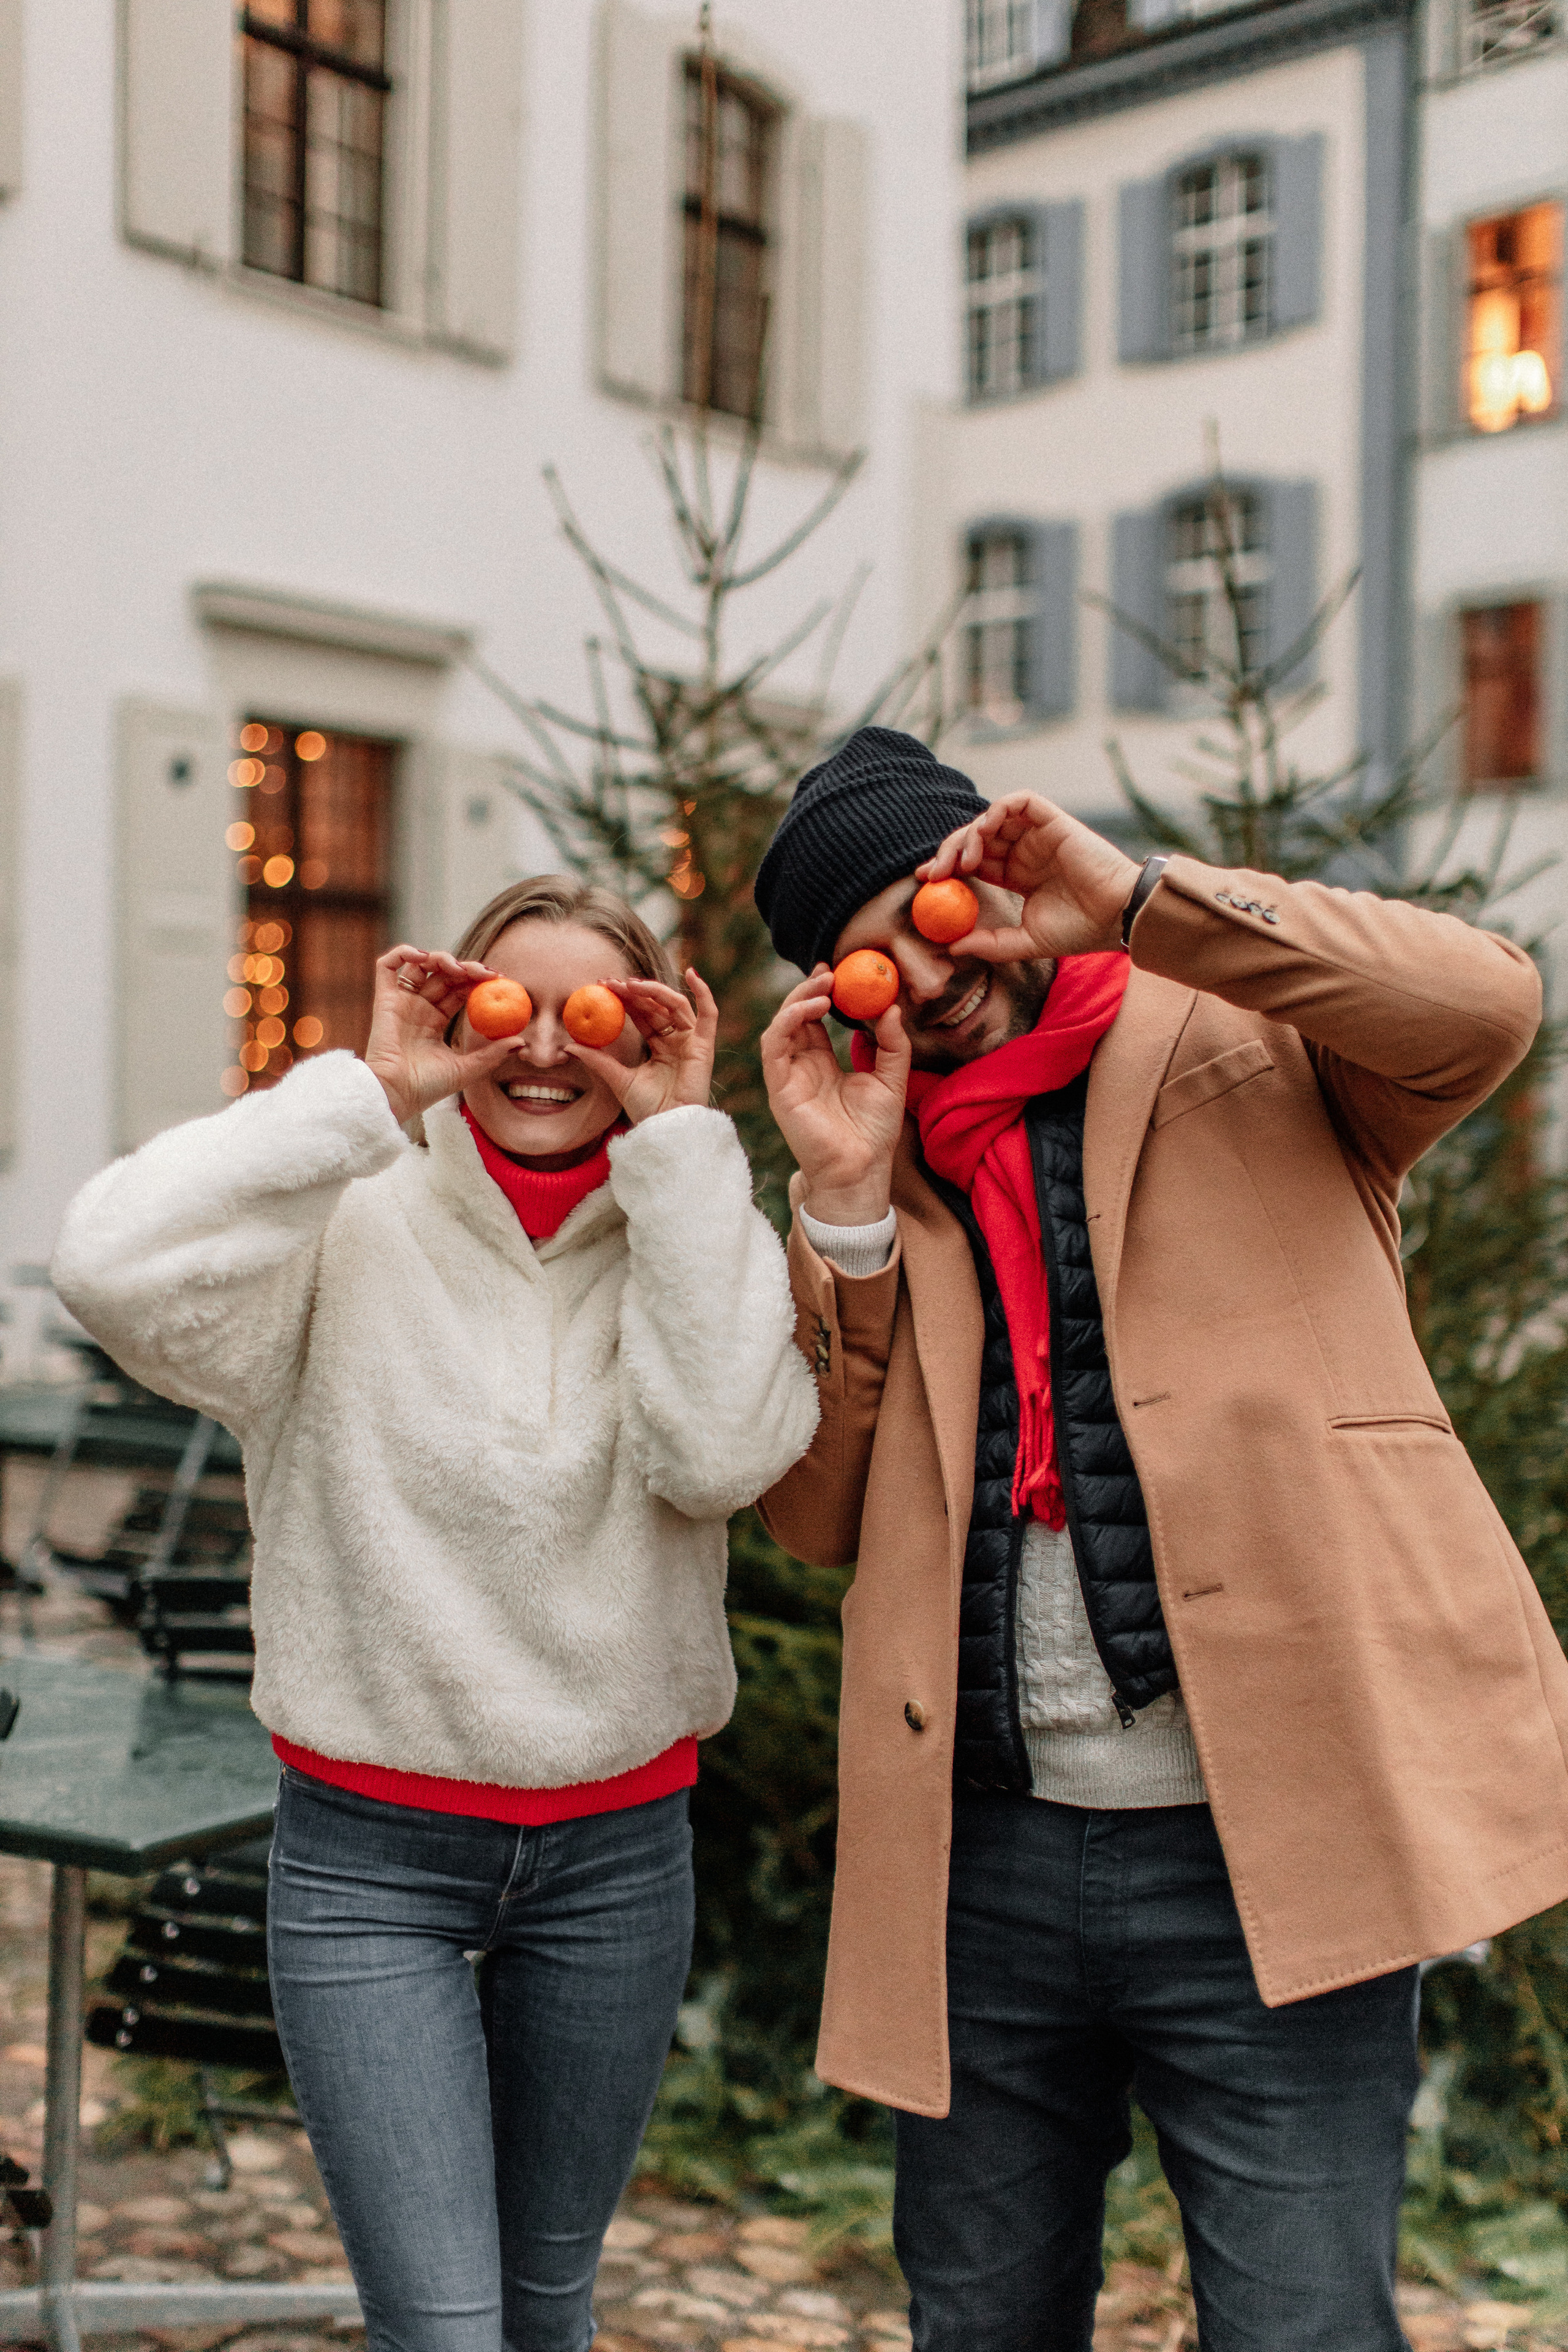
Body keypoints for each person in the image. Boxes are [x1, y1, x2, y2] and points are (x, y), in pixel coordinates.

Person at [752, 725, 1568, 2352]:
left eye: (929, 917)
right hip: (982, 1867)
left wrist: (1138, 901)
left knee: (1303, 2327)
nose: (922, 982)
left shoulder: (1251, 1037)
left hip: (1270, 1843)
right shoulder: (876, 1179)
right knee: (981, 2324)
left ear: (988, 881)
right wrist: (839, 1208)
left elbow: (1490, 1002)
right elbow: (812, 1518)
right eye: (867, 970)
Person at [52, 875, 818, 2352]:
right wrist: (371, 1090)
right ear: (455, 1012)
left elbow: (724, 1452)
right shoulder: (345, 1219)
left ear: (648, 1032)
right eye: (502, 1008)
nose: (542, 1051)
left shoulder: (688, 1238)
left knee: (546, 2308)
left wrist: (677, 1142)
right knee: (448, 2330)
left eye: (591, 1018)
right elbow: (104, 1260)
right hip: (366, 1864)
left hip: (614, 1860)